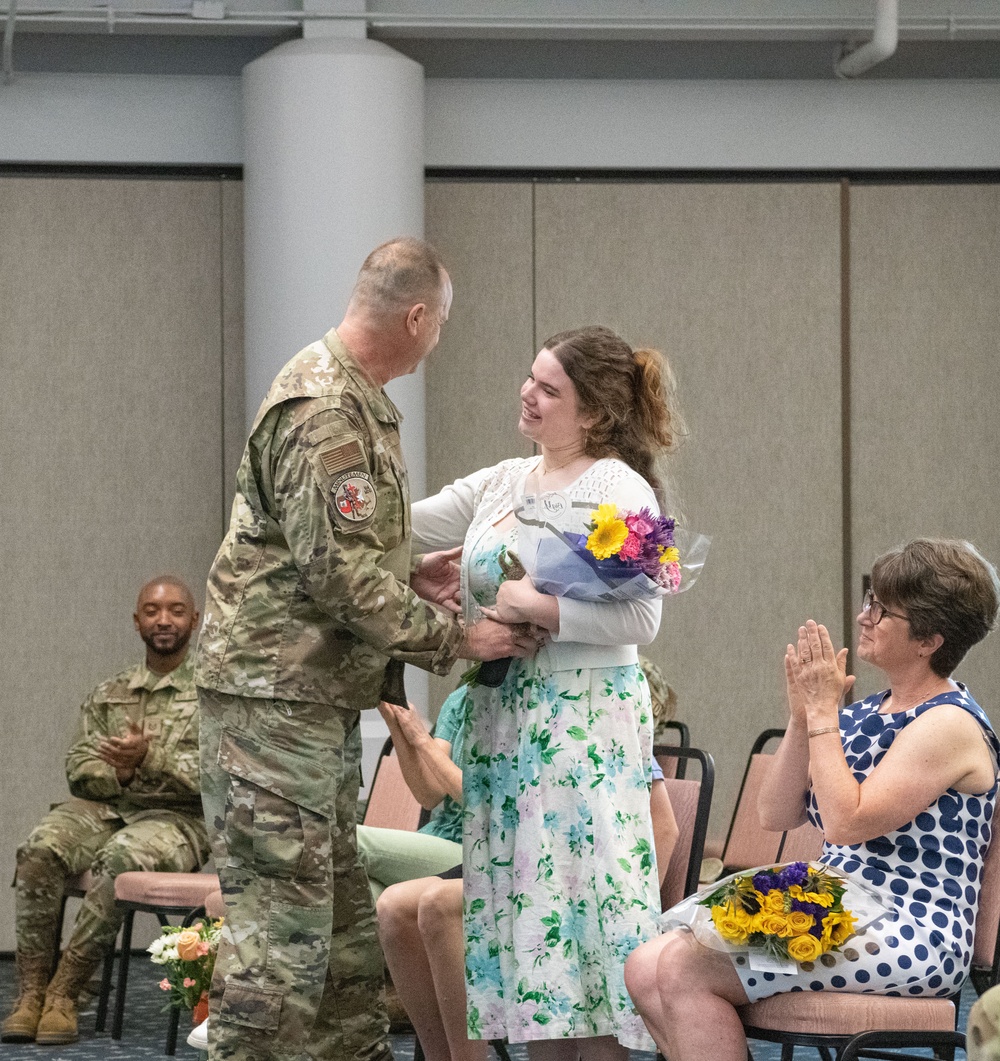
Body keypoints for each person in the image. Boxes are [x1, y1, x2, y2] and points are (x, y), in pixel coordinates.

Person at [194, 237, 537, 1061]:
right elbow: (339, 579)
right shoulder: (324, 412)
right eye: (441, 324)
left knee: (345, 937)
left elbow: (329, 557)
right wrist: (462, 633)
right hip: (271, 709)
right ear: (417, 316)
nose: (437, 340)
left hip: (307, 704)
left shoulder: (357, 399)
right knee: (281, 938)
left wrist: (407, 572)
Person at [408, 325, 684, 1059]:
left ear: (591, 413)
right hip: (507, 720)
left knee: (580, 918)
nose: (527, 394)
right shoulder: (504, 479)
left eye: (548, 388)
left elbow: (644, 614)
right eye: (530, 378)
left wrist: (542, 608)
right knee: (534, 934)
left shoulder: (618, 485)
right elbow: (400, 525)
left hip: (579, 726)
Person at [625, 538, 1000, 1061]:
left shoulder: (949, 723)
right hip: (836, 903)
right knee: (644, 965)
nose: (863, 616)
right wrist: (804, 717)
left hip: (911, 925)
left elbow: (848, 822)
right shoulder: (871, 709)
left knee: (684, 966)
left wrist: (824, 713)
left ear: (929, 640)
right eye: (869, 600)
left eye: (882, 609)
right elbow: (775, 813)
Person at [377, 660, 680, 1061]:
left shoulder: (584, 704)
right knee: (390, 905)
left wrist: (630, 915)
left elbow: (662, 824)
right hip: (495, 856)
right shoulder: (466, 701)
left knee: (430, 900)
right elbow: (430, 794)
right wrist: (402, 730)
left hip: (548, 868)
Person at [2, 576, 208, 1046]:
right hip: (105, 807)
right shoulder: (108, 693)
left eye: (176, 610)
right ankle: (31, 993)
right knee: (38, 848)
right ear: (137, 620)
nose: (164, 620)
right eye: (152, 611)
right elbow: (78, 766)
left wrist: (149, 759)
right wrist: (122, 775)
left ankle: (66, 991)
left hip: (180, 820)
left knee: (120, 858)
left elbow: (216, 775)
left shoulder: (213, 692)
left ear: (194, 621)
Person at [359, 688, 469, 902]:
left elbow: (481, 803)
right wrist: (396, 724)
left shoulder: (525, 704)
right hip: (439, 837)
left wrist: (421, 737)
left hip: (477, 848)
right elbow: (429, 795)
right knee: (366, 893)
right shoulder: (461, 697)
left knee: (349, 840)